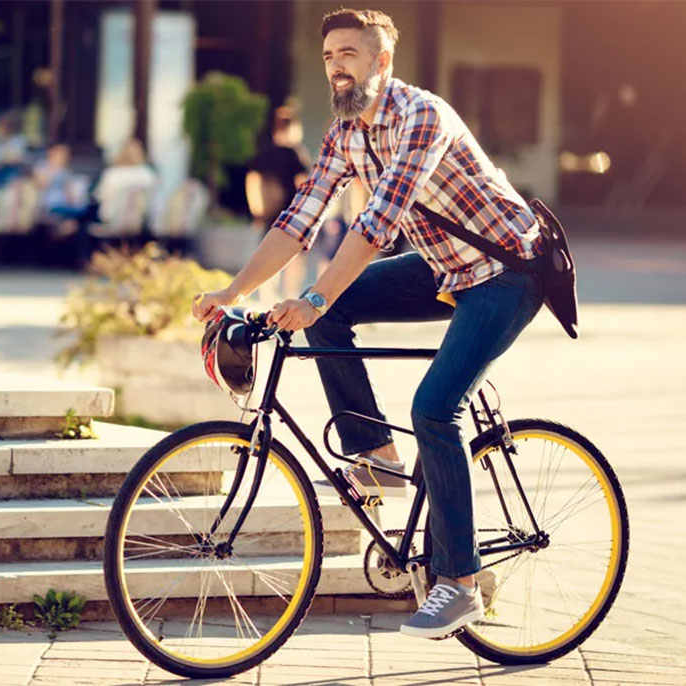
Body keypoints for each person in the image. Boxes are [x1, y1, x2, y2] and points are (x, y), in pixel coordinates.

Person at [192, 8, 544, 640]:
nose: (337, 67)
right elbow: (298, 218)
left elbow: (375, 227)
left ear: (382, 61)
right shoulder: (345, 133)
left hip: (507, 271)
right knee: (329, 308)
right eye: (329, 57)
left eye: (349, 53)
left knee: (435, 408)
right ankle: (376, 456)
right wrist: (233, 290)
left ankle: (459, 585)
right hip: (444, 269)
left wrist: (315, 299)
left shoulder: (422, 117)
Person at [245, 106, 311, 297]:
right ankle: (290, 294)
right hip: (293, 212)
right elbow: (304, 184)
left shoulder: (265, 152)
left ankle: (267, 295)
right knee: (295, 255)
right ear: (293, 128)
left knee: (267, 252)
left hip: (269, 211)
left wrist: (256, 208)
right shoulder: (296, 152)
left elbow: (253, 180)